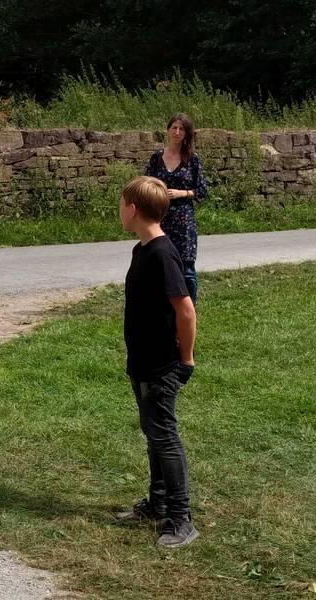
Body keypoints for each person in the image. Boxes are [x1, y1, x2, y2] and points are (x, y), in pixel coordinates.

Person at [115, 176, 198, 548]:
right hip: (142, 361)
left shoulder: (162, 253)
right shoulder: (142, 249)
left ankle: (181, 519)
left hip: (162, 364)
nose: (119, 211)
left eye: (121, 204)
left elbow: (186, 309)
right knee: (153, 434)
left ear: (133, 209)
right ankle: (158, 503)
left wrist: (186, 360)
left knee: (164, 437)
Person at [144, 113, 207, 303]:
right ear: (168, 130)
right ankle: (162, 307)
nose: (177, 132)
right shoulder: (156, 158)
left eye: (182, 129)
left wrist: (182, 193)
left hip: (183, 220)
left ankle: (189, 309)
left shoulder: (192, 159)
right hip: (159, 218)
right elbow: (145, 184)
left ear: (187, 134)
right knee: (160, 263)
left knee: (187, 269)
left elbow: (202, 191)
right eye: (174, 128)